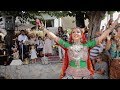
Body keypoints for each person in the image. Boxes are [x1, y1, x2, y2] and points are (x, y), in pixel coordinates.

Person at [39, 14, 120, 79]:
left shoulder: (87, 45)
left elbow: (103, 35)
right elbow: (54, 37)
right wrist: (44, 29)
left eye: (78, 32)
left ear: (81, 35)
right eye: (73, 32)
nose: (75, 33)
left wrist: (114, 24)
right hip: (70, 74)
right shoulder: (67, 45)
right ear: (71, 35)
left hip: (85, 75)